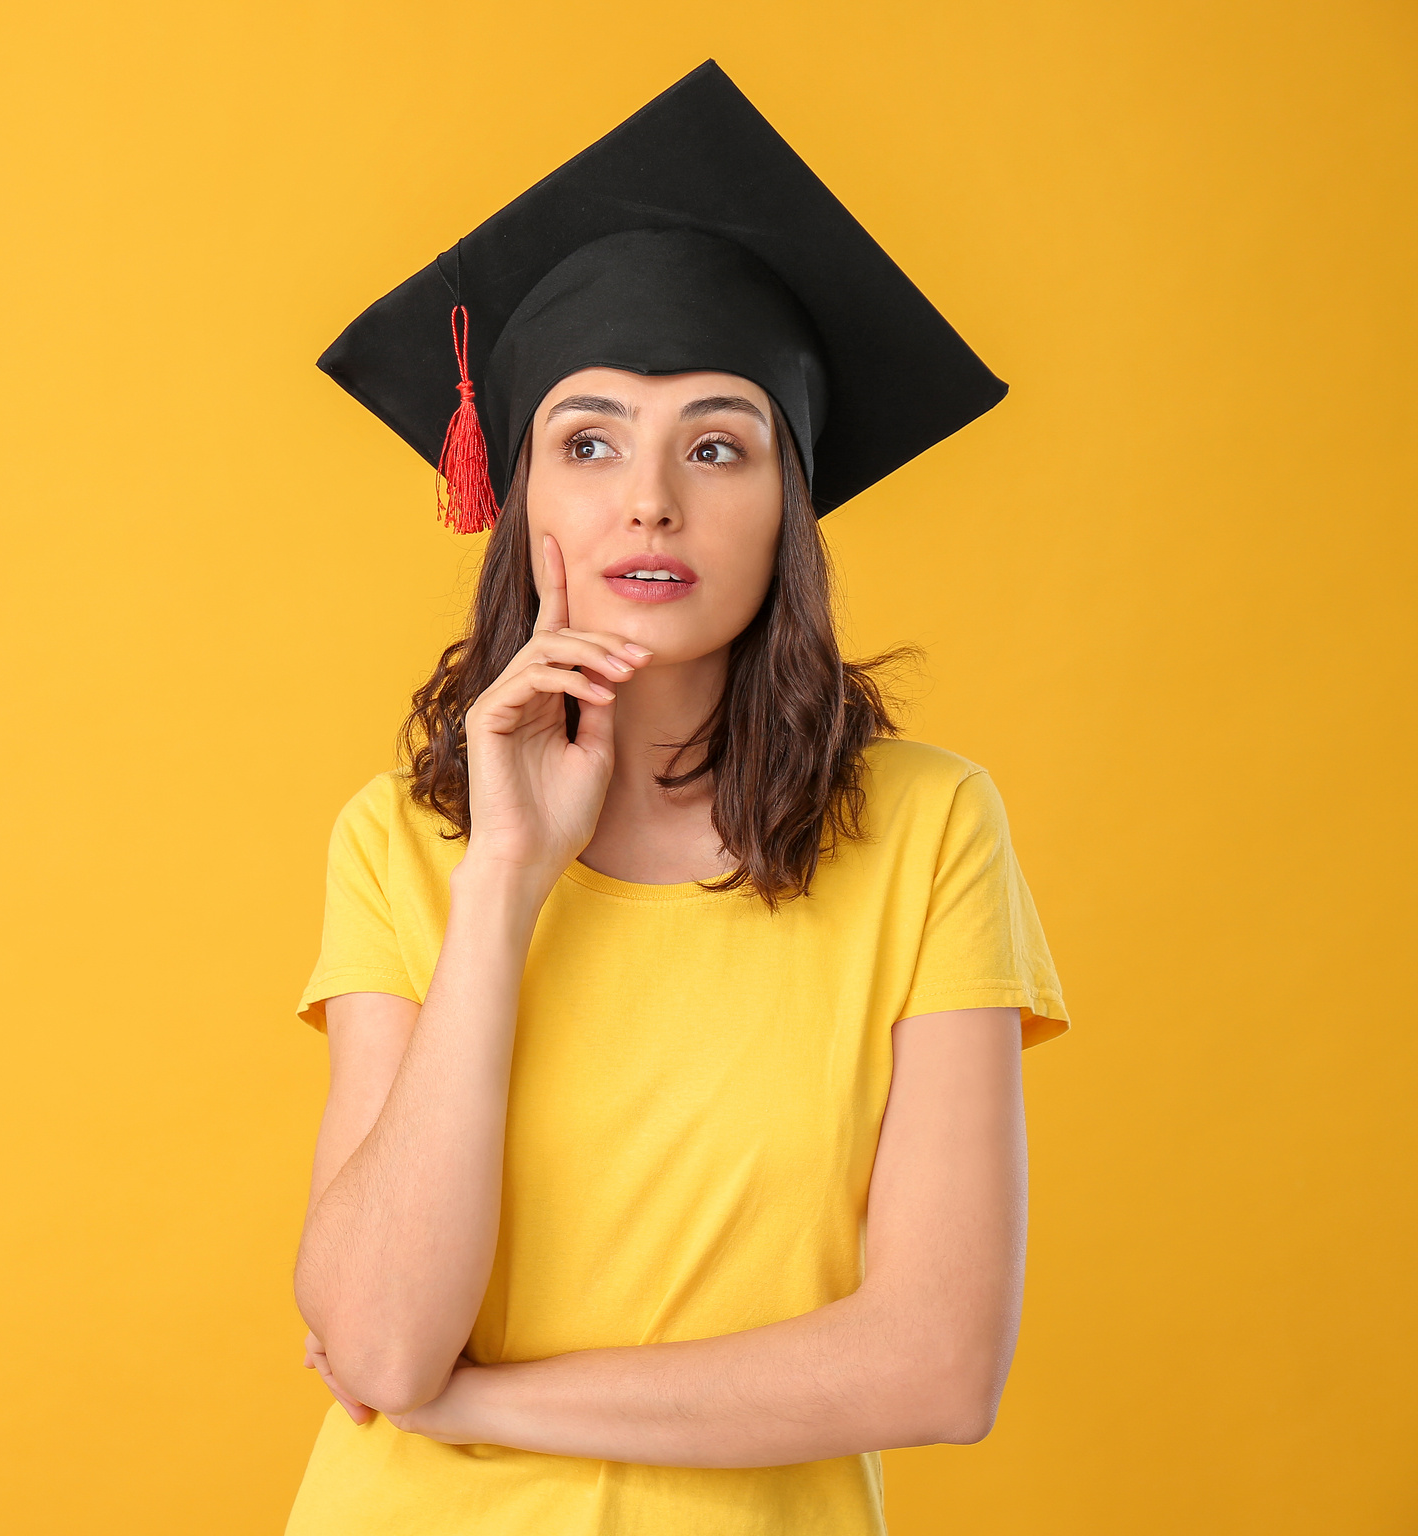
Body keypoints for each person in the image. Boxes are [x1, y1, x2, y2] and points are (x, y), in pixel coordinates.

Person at [284, 62, 1068, 1536]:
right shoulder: (404, 842)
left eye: (718, 445)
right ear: (518, 498)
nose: (650, 499)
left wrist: (485, 1404)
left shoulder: (926, 831)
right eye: (589, 441)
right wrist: (509, 874)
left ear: (791, 506)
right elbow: (383, 1343)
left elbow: (939, 1364)